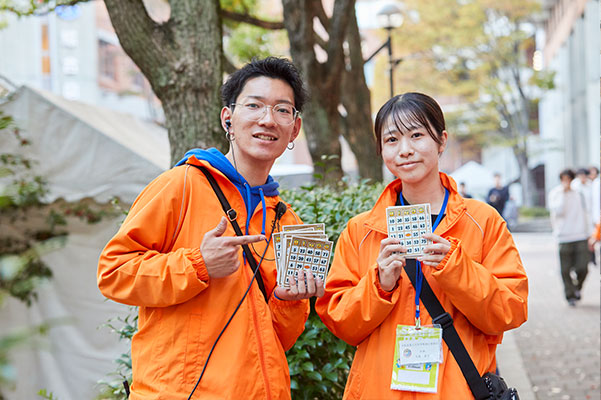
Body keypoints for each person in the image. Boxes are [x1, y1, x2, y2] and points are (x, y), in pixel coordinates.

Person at [97, 57, 325, 399]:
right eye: (254, 105)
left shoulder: (286, 221)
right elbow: (113, 272)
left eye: (282, 110)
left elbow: (278, 339)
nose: (268, 119)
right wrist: (198, 264)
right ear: (227, 118)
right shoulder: (181, 185)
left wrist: (287, 300)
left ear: (294, 129)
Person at [315, 93, 528, 399]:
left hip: (458, 391)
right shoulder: (361, 230)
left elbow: (510, 310)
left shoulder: (482, 221)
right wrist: (379, 285)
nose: (405, 150)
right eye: (392, 140)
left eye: (416, 135)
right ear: (381, 150)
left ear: (441, 141)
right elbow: (341, 323)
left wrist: (457, 269)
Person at [548, 169, 590, 306]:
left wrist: (589, 234)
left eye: (568, 179)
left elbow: (586, 213)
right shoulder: (555, 193)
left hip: (580, 235)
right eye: (563, 179)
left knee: (583, 267)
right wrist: (563, 193)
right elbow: (558, 211)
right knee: (565, 270)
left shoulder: (579, 193)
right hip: (563, 237)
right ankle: (570, 295)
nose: (566, 182)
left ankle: (576, 288)